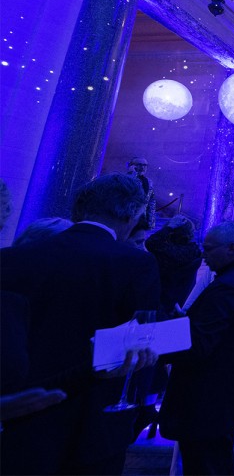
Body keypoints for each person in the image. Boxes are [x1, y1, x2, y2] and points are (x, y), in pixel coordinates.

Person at [0, 173, 161, 475]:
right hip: (91, 422)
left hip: (16, 414)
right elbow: (136, 341)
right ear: (132, 214)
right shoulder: (136, 264)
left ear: (80, 208)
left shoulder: (12, 258)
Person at [158, 221, 234, 475]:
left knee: (205, 465)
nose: (203, 254)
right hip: (226, 395)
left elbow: (198, 344)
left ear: (231, 248)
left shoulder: (229, 286)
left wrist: (153, 342)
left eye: (208, 249)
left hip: (206, 400)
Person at [146, 214, 203, 318]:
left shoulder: (185, 252)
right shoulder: (193, 251)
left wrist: (169, 227)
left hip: (166, 303)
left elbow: (151, 243)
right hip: (177, 301)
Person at [127, 156, 157, 229]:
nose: (143, 167)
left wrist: (150, 221)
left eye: (145, 165)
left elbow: (151, 201)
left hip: (141, 217)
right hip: (126, 217)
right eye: (139, 164)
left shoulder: (149, 182)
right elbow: (130, 191)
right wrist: (132, 174)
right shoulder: (125, 178)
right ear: (132, 166)